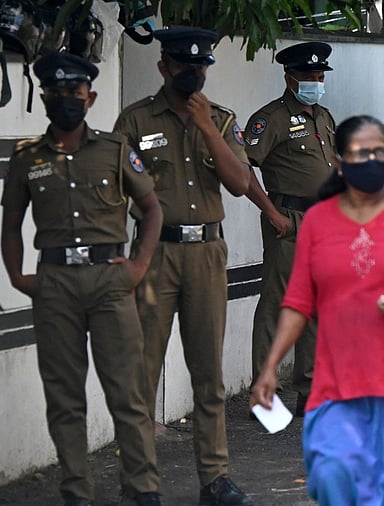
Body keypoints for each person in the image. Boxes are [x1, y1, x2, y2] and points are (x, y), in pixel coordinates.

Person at [250, 115, 384, 505]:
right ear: (338, 161)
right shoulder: (318, 221)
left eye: (380, 151)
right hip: (340, 377)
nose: (373, 160)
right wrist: (269, 369)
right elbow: (298, 302)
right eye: (362, 153)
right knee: (332, 473)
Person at [1, 52, 165, 506]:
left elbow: (152, 210)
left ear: (89, 98)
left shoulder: (114, 151)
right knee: (64, 395)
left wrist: (137, 266)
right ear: (46, 98)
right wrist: (17, 275)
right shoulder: (27, 157)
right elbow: (11, 220)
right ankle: (77, 491)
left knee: (128, 392)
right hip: (54, 284)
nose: (65, 99)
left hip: (110, 282)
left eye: (74, 92)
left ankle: (142, 487)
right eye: (56, 92)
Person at [114, 27, 254, 505]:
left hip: (207, 255)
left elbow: (238, 183)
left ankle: (214, 479)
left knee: (208, 374)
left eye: (202, 66)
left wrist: (208, 129)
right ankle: (140, 483)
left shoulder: (221, 118)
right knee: (142, 372)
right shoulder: (134, 121)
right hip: (155, 255)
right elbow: (116, 194)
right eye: (183, 66)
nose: (194, 74)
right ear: (163, 68)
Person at [243, 42, 337, 414]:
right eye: (309, 77)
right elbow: (242, 166)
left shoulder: (324, 116)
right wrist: (272, 213)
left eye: (319, 77)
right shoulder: (272, 118)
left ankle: (310, 387)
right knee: (277, 306)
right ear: (289, 77)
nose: (316, 82)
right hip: (291, 221)